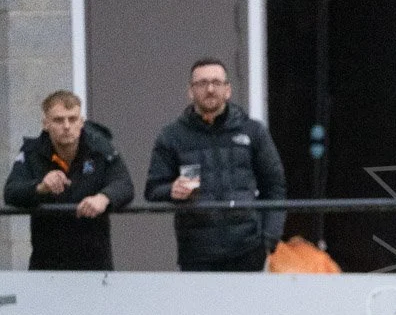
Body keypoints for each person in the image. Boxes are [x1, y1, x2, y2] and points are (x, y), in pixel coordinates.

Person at [144, 57, 286, 272]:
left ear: (227, 90)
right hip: (196, 253)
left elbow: (275, 187)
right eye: (201, 83)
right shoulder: (171, 136)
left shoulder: (252, 131)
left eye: (216, 83)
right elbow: (153, 189)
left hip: (248, 250)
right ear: (190, 91)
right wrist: (172, 190)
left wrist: (269, 241)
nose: (210, 89)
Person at [4, 90, 133, 270]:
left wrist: (103, 198)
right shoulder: (32, 152)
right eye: (58, 120)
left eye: (72, 119)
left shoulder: (100, 147)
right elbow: (11, 192)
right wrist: (40, 187)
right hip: (47, 261)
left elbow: (124, 184)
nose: (66, 126)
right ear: (45, 124)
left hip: (94, 260)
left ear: (81, 122)